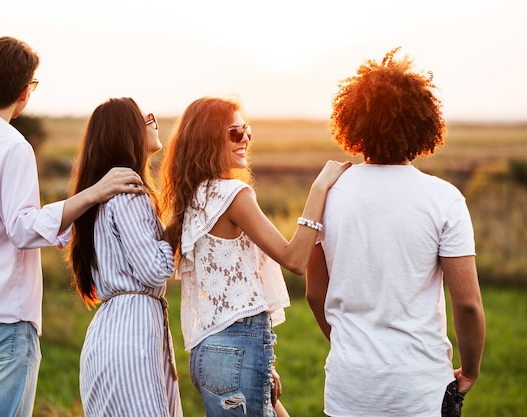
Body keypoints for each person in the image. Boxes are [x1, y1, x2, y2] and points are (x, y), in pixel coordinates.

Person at [0, 37, 141, 417]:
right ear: (26, 91)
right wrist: (91, 195)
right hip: (1, 321)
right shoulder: (12, 146)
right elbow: (23, 229)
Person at [305, 48, 486, 417]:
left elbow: (314, 293)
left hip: (348, 386)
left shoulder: (328, 193)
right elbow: (467, 305)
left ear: (352, 123)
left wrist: (350, 346)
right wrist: (470, 371)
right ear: (423, 124)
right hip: (420, 389)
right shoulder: (444, 199)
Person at [160, 96, 351, 417]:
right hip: (237, 346)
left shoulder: (195, 196)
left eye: (247, 129)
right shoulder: (233, 195)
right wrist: (319, 189)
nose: (246, 138)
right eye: (235, 132)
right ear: (209, 139)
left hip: (210, 351)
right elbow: (294, 258)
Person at [67, 97, 183, 417]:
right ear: (126, 132)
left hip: (111, 334)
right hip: (131, 340)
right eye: (146, 117)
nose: (154, 121)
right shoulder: (130, 191)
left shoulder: (105, 195)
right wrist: (175, 226)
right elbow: (155, 270)